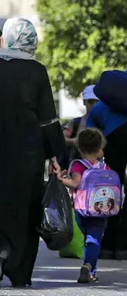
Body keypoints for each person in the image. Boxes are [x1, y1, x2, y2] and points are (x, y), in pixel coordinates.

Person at [0, 18, 65, 287]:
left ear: (7, 38)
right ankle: (21, 274)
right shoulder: (37, 70)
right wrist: (56, 155)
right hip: (29, 151)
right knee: (26, 208)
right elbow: (48, 119)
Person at [58, 128, 110, 283]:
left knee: (89, 237)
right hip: (101, 210)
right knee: (94, 239)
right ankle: (89, 267)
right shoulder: (104, 167)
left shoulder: (78, 165)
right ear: (100, 149)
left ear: (79, 148)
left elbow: (75, 183)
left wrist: (60, 179)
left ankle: (89, 267)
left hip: (82, 210)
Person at [85, 71, 127, 260]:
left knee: (110, 193)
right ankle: (124, 247)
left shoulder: (99, 108)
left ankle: (108, 246)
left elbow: (88, 136)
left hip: (112, 145)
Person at [59, 85, 99, 169]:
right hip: (77, 167)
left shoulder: (105, 123)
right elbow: (61, 139)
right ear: (84, 102)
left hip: (99, 168)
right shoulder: (76, 122)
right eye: (91, 101)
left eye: (97, 101)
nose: (94, 105)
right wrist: (75, 141)